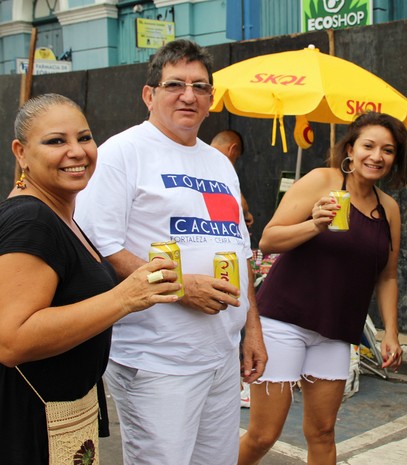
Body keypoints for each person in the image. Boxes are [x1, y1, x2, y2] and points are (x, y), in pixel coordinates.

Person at [74, 39, 266, 465]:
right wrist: (181, 287)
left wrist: (251, 329)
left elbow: (239, 249)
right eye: (175, 84)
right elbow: (99, 248)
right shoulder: (121, 154)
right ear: (149, 94)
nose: (188, 95)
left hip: (219, 354)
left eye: (200, 87)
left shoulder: (218, 164)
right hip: (157, 359)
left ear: (211, 100)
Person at [0, 93, 180, 464]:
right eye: (55, 141)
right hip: (31, 424)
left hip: (63, 414)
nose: (77, 151)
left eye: (84, 137)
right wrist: (125, 298)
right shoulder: (31, 220)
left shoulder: (55, 213)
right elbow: (12, 340)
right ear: (21, 152)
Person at [238, 111, 406, 465]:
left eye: (387, 150)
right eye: (369, 146)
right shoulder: (322, 180)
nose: (377, 156)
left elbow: (387, 276)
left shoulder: (388, 208)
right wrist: (315, 224)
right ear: (351, 148)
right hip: (284, 321)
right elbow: (269, 239)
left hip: (336, 331)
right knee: (264, 434)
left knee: (323, 433)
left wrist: (391, 331)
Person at [211, 129, 254, 228]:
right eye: (236, 158)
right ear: (233, 149)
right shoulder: (221, 164)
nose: (235, 162)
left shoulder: (196, 160)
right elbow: (241, 207)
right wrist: (246, 214)